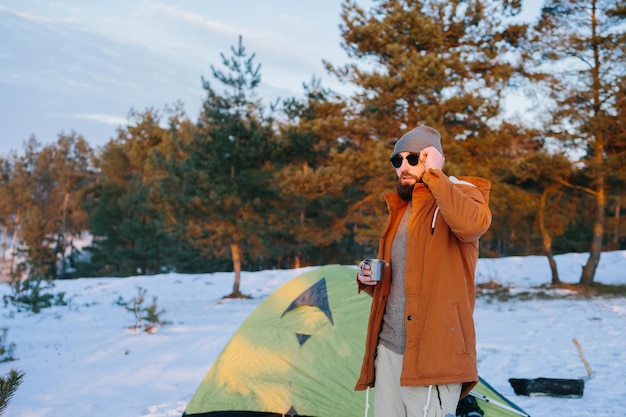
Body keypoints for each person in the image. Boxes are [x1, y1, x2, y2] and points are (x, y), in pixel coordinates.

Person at [354, 125, 492, 417]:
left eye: (413, 158)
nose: (403, 166)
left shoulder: (462, 194)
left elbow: (472, 226)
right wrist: (370, 280)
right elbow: (408, 279)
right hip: (389, 351)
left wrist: (435, 176)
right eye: (397, 160)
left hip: (435, 356)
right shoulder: (401, 211)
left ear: (432, 159)